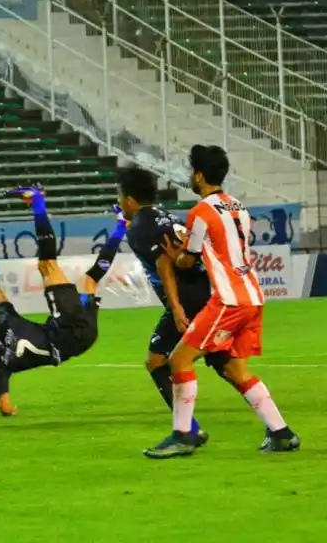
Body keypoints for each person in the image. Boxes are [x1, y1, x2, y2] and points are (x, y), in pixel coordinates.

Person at [143, 145, 299, 459]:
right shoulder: (239, 206)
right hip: (253, 296)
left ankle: (182, 435)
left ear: (200, 176)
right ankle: (281, 433)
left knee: (179, 360)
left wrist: (175, 256)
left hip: (228, 300)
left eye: (193, 171)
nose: (191, 176)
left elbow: (189, 260)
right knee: (234, 369)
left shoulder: (200, 212)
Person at [0, 185, 127, 416]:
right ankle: (37, 201)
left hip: (82, 341)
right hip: (68, 328)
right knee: (47, 265)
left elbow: (4, 405)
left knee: (90, 279)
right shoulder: (7, 320)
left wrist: (8, 409)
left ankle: (122, 226)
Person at [119, 168, 254, 449]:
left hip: (185, 299)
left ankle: (188, 431)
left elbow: (164, 266)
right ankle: (278, 427)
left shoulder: (139, 228)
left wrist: (176, 308)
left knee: (158, 361)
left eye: (121, 198)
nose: (120, 204)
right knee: (227, 366)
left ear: (130, 200)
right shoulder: (168, 216)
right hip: (206, 292)